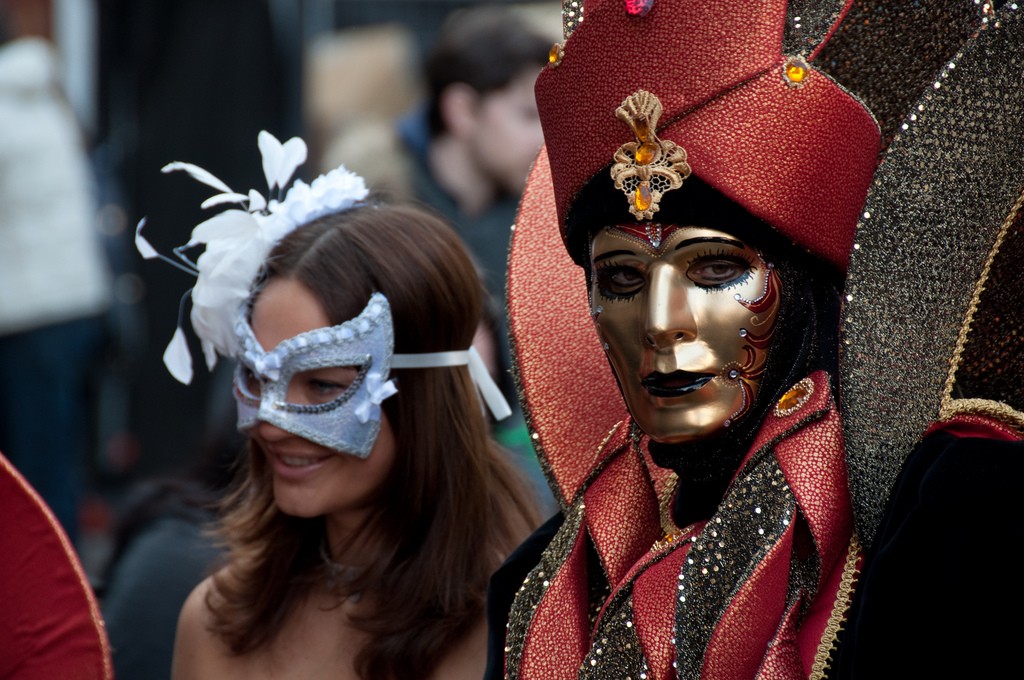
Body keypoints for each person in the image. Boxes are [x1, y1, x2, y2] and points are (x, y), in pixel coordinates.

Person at [486, 1, 1023, 679]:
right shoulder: (558, 574)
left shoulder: (952, 516)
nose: (660, 320)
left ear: (807, 293)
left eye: (715, 269)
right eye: (622, 277)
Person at [134, 131, 541, 679]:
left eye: (323, 385)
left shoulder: (531, 630)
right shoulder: (217, 619)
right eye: (256, 376)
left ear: (425, 395)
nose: (272, 423)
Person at [327, 5, 556, 512]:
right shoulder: (366, 220)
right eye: (526, 115)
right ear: (461, 111)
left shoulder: (537, 219)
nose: (545, 137)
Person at [0, 0, 111, 544]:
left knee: (34, 478)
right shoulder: (41, 92)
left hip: (28, 311)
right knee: (52, 465)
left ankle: (55, 607)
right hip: (71, 303)